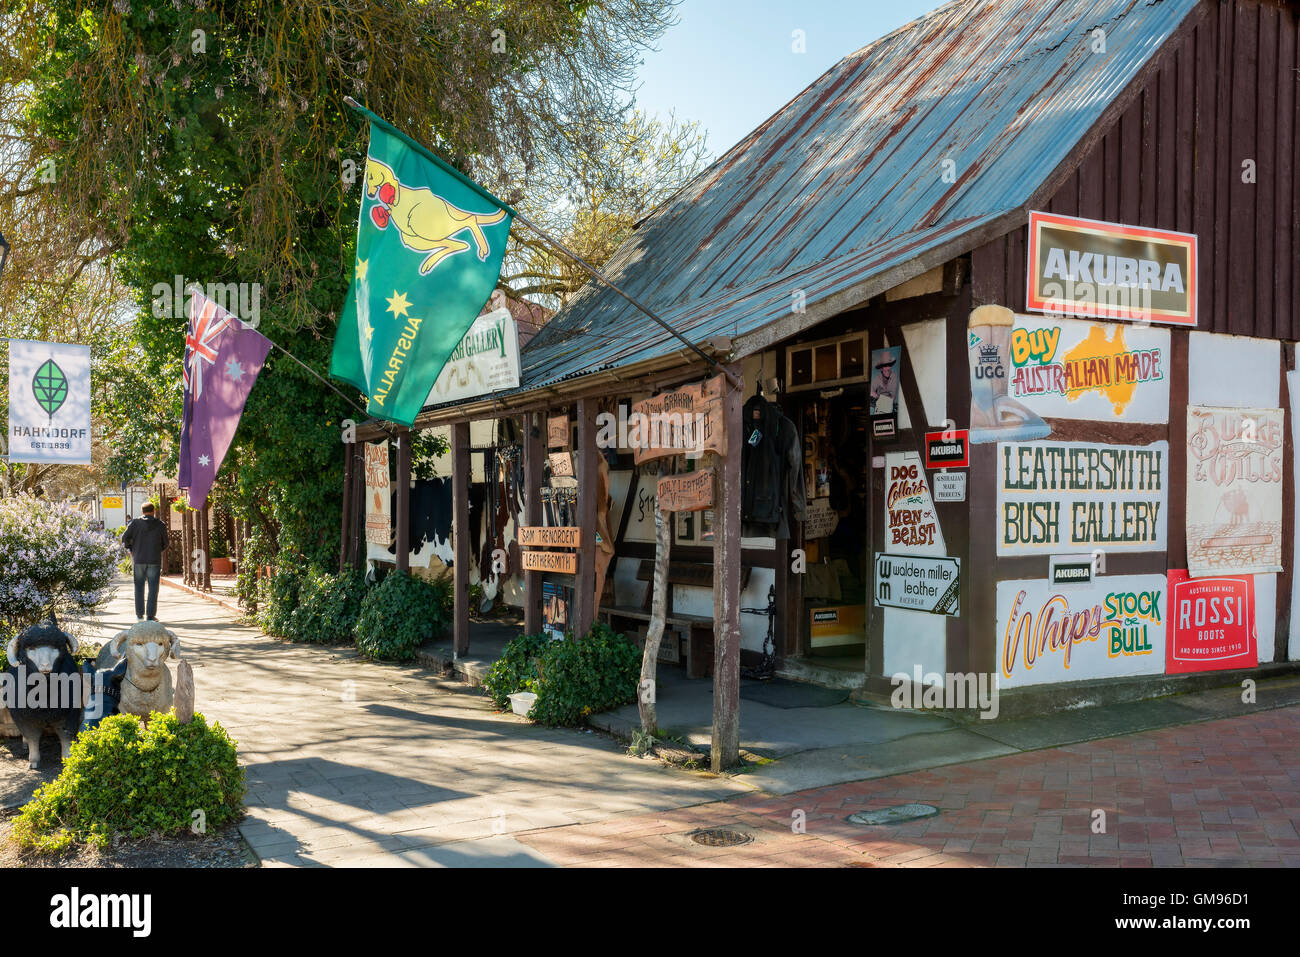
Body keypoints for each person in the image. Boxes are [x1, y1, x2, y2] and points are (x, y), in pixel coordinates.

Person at [121, 503, 169, 621]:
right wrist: (158, 550)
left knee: (138, 587)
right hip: (154, 559)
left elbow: (124, 538)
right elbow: (166, 543)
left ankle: (139, 614)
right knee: (153, 588)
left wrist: (131, 549)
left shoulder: (135, 523)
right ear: (153, 511)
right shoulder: (160, 524)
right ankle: (150, 615)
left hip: (138, 559)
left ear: (142, 511)